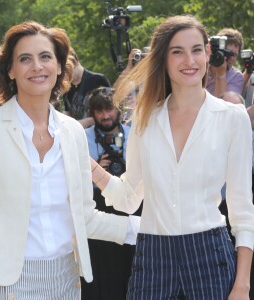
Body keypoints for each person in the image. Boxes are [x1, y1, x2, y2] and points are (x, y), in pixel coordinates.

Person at [0, 21, 138, 300]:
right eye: (25, 59)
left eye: (45, 57)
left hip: (66, 281)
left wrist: (147, 229)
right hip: (4, 283)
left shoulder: (73, 132)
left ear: (59, 67)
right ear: (11, 70)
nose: (37, 66)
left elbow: (85, 217)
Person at [90, 15, 254, 299]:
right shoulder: (145, 118)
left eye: (196, 50)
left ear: (207, 54)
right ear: (163, 59)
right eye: (177, 51)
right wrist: (89, 167)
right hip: (153, 256)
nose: (189, 60)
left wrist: (242, 284)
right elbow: (130, 198)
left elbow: (242, 211)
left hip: (211, 255)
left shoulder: (232, 118)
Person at [82, 87, 141, 300]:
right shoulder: (83, 138)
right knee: (101, 268)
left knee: (132, 264)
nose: (106, 116)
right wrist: (97, 169)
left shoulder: (135, 133)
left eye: (109, 110)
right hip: (97, 205)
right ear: (93, 113)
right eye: (99, 111)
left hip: (131, 203)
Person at [63, 48, 111, 128]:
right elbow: (68, 114)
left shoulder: (98, 80)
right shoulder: (67, 86)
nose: (63, 77)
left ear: (74, 62)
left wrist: (87, 122)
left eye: (65, 71)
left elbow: (110, 111)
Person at [206, 28, 244, 97]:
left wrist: (221, 75)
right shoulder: (202, 67)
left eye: (234, 55)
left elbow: (225, 104)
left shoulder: (236, 77)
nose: (231, 58)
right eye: (228, 53)